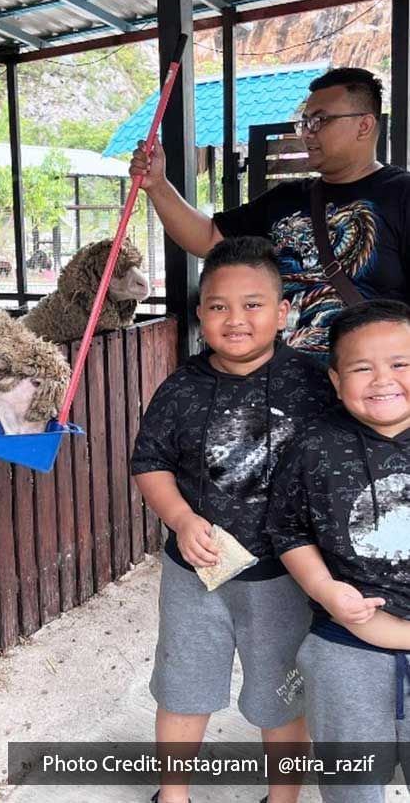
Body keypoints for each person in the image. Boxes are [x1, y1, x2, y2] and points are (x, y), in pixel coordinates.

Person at [131, 236, 334, 803]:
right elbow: (150, 462)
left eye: (253, 304)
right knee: (182, 685)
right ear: (200, 314)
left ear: (283, 311)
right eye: (219, 306)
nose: (235, 319)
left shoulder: (315, 386)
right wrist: (179, 517)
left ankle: (284, 797)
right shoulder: (180, 388)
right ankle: (173, 795)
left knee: (281, 693)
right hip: (197, 572)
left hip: (285, 577)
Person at [130, 67, 410, 357]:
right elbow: (207, 237)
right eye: (305, 122)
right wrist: (157, 185)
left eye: (320, 120)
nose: (308, 133)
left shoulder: (401, 194)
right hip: (286, 385)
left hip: (371, 388)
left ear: (364, 125)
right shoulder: (287, 198)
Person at [267, 299, 410, 803]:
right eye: (361, 367)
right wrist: (324, 588)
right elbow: (288, 530)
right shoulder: (314, 445)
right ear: (334, 380)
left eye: (399, 364)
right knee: (351, 780)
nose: (382, 380)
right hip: (346, 641)